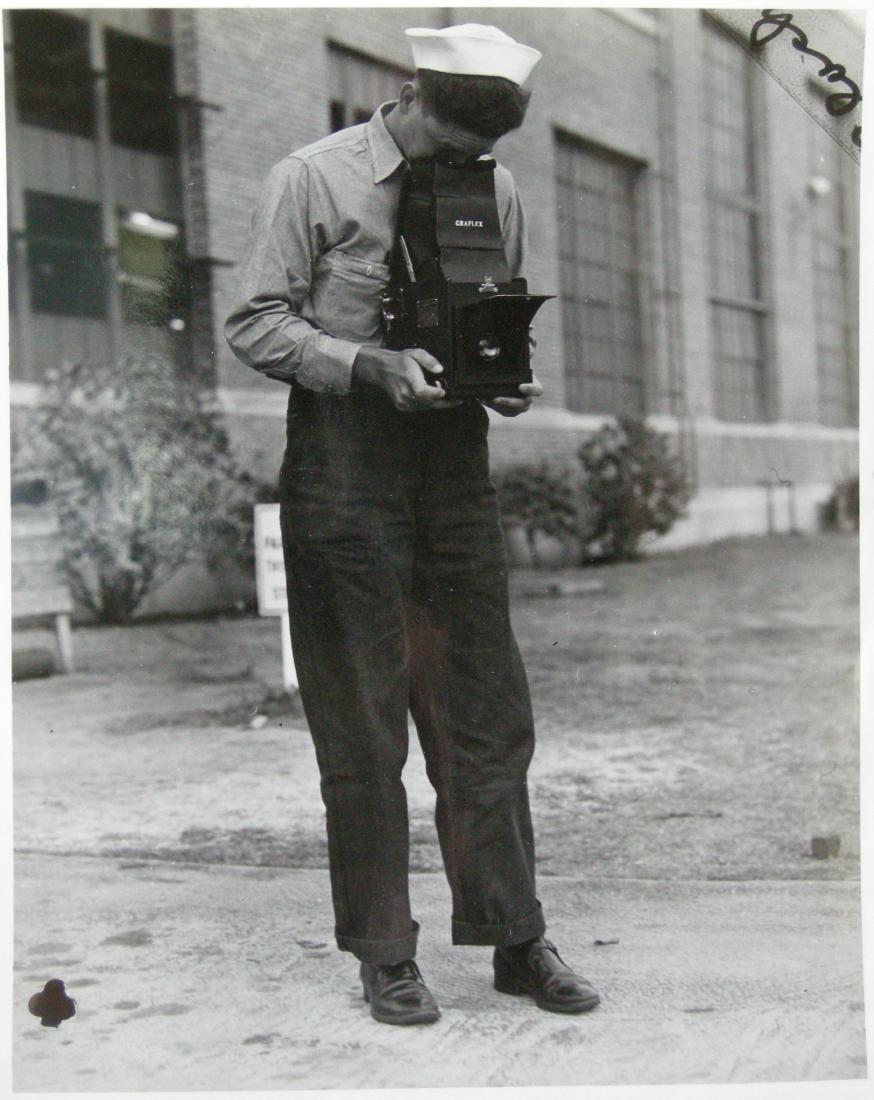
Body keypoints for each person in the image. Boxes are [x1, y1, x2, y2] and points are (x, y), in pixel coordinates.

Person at [225, 22, 600, 1026]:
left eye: (481, 159)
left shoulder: (494, 183)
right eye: (450, 150)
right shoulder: (313, 176)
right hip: (344, 465)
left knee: (486, 713)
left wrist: (498, 376)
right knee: (362, 722)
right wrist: (366, 364)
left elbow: (493, 306)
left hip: (451, 470)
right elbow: (254, 317)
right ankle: (385, 953)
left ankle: (516, 936)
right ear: (412, 97)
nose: (464, 173)